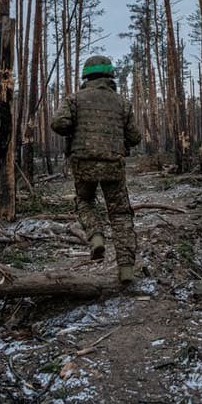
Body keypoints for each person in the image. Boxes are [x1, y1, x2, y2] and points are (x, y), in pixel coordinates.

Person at [51, 55, 142, 284]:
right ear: (110, 75)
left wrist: (77, 126)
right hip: (113, 164)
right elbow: (135, 136)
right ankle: (126, 269)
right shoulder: (122, 102)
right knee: (120, 214)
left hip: (83, 163)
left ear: (86, 76)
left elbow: (58, 123)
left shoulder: (74, 99)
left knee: (85, 201)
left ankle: (96, 236)